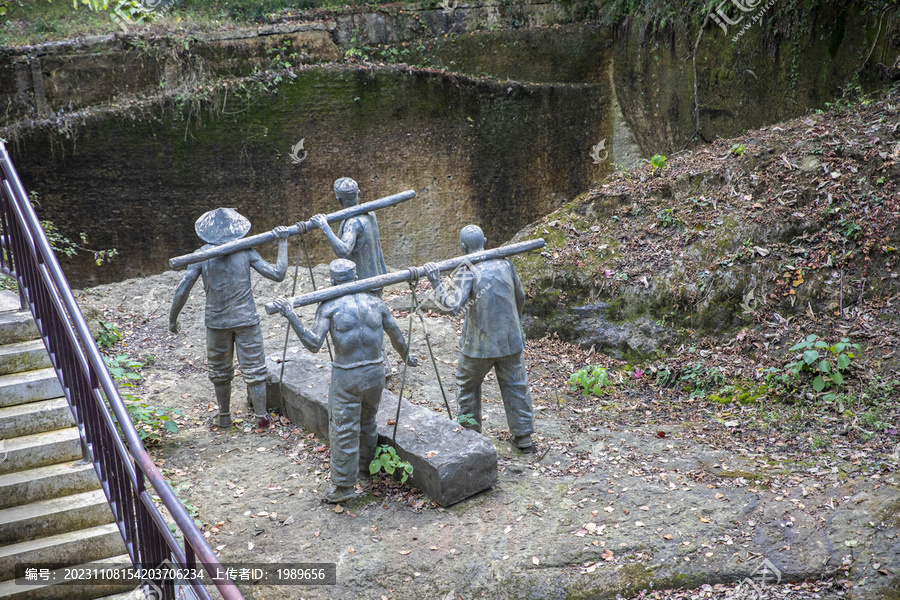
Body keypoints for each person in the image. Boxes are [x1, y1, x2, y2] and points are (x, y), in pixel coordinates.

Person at [273, 259, 418, 503]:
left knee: (343, 429)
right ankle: (365, 471)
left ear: (332, 281)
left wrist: (291, 316)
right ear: (356, 276)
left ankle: (343, 487)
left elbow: (313, 344)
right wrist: (406, 356)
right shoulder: (376, 302)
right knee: (367, 423)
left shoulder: (329, 306)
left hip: (348, 374)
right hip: (375, 373)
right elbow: (396, 335)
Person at [169, 208, 290, 430]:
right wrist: (283, 242)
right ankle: (261, 417)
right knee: (254, 370)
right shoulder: (244, 251)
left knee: (220, 371)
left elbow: (182, 288)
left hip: (217, 322)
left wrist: (172, 318)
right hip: (245, 319)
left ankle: (225, 416)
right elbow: (278, 274)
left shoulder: (203, 255)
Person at [423, 225, 535, 452]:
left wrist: (436, 282)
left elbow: (453, 307)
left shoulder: (467, 270)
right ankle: (523, 437)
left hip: (479, 346)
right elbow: (520, 297)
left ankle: (469, 434)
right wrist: (514, 324)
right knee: (516, 385)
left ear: (463, 247)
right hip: (510, 340)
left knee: (467, 385)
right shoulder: (505, 264)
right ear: (485, 240)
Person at [310, 177, 387, 286]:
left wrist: (324, 226)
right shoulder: (370, 212)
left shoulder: (353, 223)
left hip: (363, 284)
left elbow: (343, 251)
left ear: (338, 199)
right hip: (377, 279)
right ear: (358, 193)